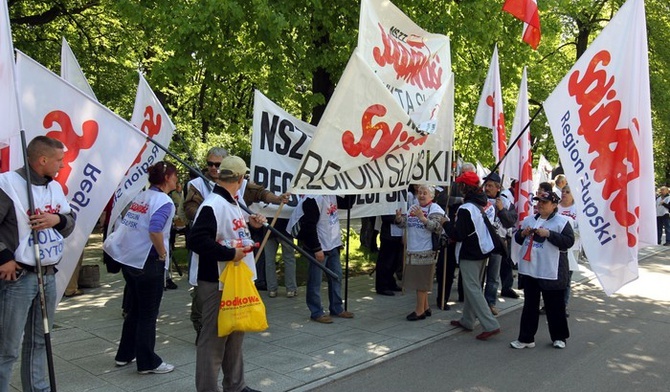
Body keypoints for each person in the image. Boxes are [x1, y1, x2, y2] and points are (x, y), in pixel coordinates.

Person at [184, 147, 288, 342]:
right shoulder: (202, 190)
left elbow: (258, 193)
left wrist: (253, 220)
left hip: (234, 272)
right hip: (215, 270)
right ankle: (200, 329)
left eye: (217, 164)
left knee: (232, 337)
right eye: (210, 164)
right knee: (210, 331)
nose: (213, 168)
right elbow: (194, 220)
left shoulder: (235, 194)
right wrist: (229, 250)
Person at [0, 136, 76, 391]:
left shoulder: (54, 186)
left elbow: (69, 220)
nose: (62, 166)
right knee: (7, 347)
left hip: (48, 275)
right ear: (43, 160)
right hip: (19, 277)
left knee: (40, 341)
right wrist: (4, 258)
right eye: (59, 160)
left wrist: (57, 220)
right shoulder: (8, 183)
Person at [187, 155, 265, 392]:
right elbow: (196, 241)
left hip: (236, 281)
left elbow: (237, 237)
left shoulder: (232, 202)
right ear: (241, 178)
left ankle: (236, 386)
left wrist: (253, 228)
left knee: (234, 337)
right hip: (217, 282)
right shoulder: (212, 205)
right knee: (213, 341)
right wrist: (230, 254)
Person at [103, 161, 178, 374]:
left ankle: (125, 354)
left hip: (130, 260)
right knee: (148, 314)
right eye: (175, 175)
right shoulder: (164, 202)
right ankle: (148, 362)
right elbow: (155, 230)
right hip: (148, 262)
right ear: (166, 178)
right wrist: (163, 254)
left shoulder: (142, 196)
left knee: (135, 310)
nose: (177, 179)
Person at [510, 190, 574, 350]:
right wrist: (523, 233)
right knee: (530, 305)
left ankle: (559, 337)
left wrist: (549, 234)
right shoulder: (529, 220)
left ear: (554, 205)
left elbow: (568, 241)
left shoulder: (562, 222)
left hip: (552, 269)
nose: (539, 205)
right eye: (538, 202)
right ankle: (526, 338)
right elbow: (517, 238)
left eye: (544, 202)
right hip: (531, 269)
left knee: (555, 305)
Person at [442, 171, 501, 340]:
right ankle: (467, 320)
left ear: (464, 187)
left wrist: (445, 223)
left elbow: (458, 234)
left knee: (472, 288)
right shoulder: (478, 204)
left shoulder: (466, 208)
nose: (458, 186)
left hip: (470, 253)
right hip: (481, 250)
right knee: (472, 287)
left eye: (460, 184)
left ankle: (490, 324)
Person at [288, 194, 354, 324]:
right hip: (318, 245)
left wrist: (352, 190)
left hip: (332, 243)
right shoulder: (312, 199)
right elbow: (309, 226)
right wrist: (316, 248)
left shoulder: (331, 195)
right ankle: (316, 312)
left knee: (336, 276)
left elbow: (347, 204)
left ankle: (336, 308)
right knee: (315, 280)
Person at [395, 185, 444, 320]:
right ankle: (426, 307)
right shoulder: (414, 207)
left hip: (426, 249)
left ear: (432, 196)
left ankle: (419, 310)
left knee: (421, 282)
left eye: (425, 193)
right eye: (420, 192)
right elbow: (405, 223)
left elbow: (437, 227)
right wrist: (399, 219)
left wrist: (423, 218)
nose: (421, 195)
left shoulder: (435, 209)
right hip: (413, 248)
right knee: (418, 280)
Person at [482, 173, 517, 316]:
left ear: (498, 188)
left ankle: (490, 303)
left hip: (498, 242)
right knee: (479, 275)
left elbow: (510, 222)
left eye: (490, 185)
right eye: (486, 185)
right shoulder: (480, 200)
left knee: (493, 276)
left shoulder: (506, 202)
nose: (487, 188)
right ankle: (477, 304)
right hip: (482, 241)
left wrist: (501, 209)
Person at [558, 185, 580, 314]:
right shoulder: (556, 207)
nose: (564, 194)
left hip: (572, 248)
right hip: (555, 247)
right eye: (563, 191)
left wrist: (567, 233)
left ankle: (563, 306)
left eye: (567, 192)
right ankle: (549, 305)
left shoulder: (577, 210)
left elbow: (581, 230)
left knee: (566, 279)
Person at [264, 218, 298, 298]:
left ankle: (272, 289)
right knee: (289, 260)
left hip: (269, 229)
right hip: (284, 229)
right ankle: (291, 289)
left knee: (269, 261)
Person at [374, 214, 403, 296]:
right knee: (386, 261)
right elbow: (385, 217)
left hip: (399, 233)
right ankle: (382, 286)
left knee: (395, 261)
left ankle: (390, 282)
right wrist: (397, 219)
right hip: (388, 234)